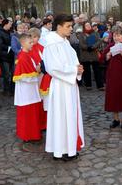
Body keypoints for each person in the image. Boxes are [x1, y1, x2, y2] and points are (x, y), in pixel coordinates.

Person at [43, 14, 84, 161]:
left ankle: (69, 147)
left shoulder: (64, 41)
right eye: (68, 26)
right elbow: (52, 68)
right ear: (59, 27)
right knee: (62, 118)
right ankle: (61, 150)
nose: (71, 29)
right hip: (61, 86)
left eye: (71, 26)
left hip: (70, 85)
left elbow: (72, 60)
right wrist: (74, 70)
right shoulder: (52, 43)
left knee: (70, 116)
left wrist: (78, 69)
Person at [13, 34, 42, 148]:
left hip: (31, 91)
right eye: (30, 42)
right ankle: (28, 135)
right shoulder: (23, 57)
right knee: (27, 114)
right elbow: (25, 77)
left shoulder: (27, 55)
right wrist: (38, 72)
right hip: (26, 93)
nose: (32, 44)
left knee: (32, 113)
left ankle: (33, 134)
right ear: (23, 43)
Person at [27, 28, 47, 130]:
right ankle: (37, 123)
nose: (33, 39)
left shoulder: (42, 48)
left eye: (35, 37)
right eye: (31, 37)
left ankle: (45, 122)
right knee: (36, 99)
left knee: (44, 99)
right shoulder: (28, 50)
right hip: (33, 78)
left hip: (43, 76)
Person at [78, 22, 104, 90]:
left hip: (94, 54)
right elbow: (81, 44)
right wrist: (87, 47)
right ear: (84, 27)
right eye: (86, 25)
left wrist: (93, 47)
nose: (88, 26)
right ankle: (88, 85)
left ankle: (100, 86)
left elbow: (99, 41)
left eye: (89, 25)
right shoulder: (81, 34)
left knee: (97, 71)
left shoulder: (95, 33)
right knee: (87, 71)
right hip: (85, 55)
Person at [0, 19, 14, 96]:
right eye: (10, 24)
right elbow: (0, 45)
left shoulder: (9, 32)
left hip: (10, 56)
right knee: (7, 74)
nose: (11, 25)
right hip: (3, 57)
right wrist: (10, 47)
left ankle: (10, 89)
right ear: (5, 24)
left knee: (11, 74)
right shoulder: (0, 33)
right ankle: (6, 90)